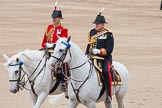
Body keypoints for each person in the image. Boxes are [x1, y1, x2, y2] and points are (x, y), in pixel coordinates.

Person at [85, 11, 114, 103]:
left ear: (102, 25)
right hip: (92, 57)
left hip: (104, 58)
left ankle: (109, 94)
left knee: (106, 71)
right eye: (95, 24)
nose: (96, 26)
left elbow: (110, 49)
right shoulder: (92, 32)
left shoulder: (108, 34)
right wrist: (86, 54)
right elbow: (89, 44)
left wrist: (99, 51)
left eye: (97, 24)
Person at [41, 2, 68, 91]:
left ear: (60, 19)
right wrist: (45, 46)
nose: (53, 19)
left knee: (61, 64)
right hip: (47, 50)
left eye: (55, 18)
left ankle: (63, 81)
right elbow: (44, 41)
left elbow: (63, 43)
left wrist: (52, 45)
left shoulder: (63, 30)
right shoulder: (48, 28)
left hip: (57, 51)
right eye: (53, 18)